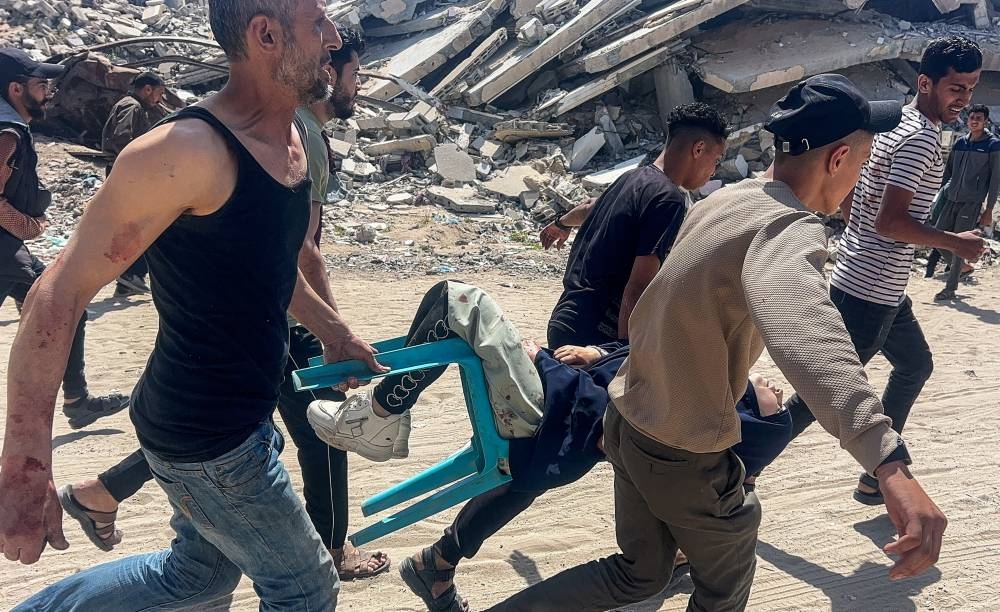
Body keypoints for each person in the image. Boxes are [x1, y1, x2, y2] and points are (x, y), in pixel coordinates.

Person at [483, 73, 949, 612]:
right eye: (865, 161)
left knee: (639, 574)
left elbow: (668, 305)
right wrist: (888, 462)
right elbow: (811, 335)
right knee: (726, 578)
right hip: (680, 446)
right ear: (839, 158)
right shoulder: (784, 226)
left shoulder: (725, 198)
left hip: (629, 417)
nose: (863, 177)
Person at [0, 2, 384, 610]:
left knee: (198, 578)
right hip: (207, 437)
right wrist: (24, 466)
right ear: (265, 34)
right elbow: (60, 290)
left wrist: (334, 333)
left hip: (236, 417)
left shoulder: (291, 143)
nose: (334, 39)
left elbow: (269, 263)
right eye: (318, 24)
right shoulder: (185, 152)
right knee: (307, 590)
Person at [307, 281, 792, 612]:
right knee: (532, 488)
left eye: (768, 393)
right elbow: (642, 353)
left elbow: (718, 465)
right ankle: (428, 538)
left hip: (550, 406)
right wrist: (598, 352)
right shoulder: (698, 379)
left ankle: (382, 416)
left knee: (460, 301)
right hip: (557, 402)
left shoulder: (714, 414)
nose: (768, 381)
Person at [784, 36, 988, 506]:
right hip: (869, 290)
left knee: (915, 365)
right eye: (956, 88)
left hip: (880, 284)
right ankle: (738, 466)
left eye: (971, 89)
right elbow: (890, 221)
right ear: (926, 83)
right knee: (820, 398)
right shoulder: (919, 140)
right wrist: (955, 242)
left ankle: (877, 476)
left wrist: (858, 232)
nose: (964, 100)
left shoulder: (895, 123)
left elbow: (858, 191)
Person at [0, 47, 130, 430]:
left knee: (62, 305)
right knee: (64, 304)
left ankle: (76, 398)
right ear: (16, 89)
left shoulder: (11, 127)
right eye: (41, 85)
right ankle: (76, 399)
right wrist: (30, 226)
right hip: (5, 249)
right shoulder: (6, 134)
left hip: (8, 250)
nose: (49, 93)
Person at [543, 102, 729, 348]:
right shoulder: (668, 199)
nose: (713, 172)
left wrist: (561, 223)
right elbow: (637, 288)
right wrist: (623, 354)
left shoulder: (632, 178)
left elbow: (591, 206)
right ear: (699, 149)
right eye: (716, 160)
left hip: (565, 319)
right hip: (596, 336)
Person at [101, 71, 170, 296]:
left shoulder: (130, 104)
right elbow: (123, 139)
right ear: (147, 89)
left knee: (135, 223)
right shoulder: (133, 107)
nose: (158, 99)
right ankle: (130, 274)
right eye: (158, 93)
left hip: (125, 173)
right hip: (128, 174)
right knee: (143, 223)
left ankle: (129, 278)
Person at [924, 103, 999, 299]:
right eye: (972, 117)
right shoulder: (960, 143)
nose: (974, 121)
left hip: (971, 202)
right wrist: (936, 193)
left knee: (958, 241)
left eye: (979, 118)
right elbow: (947, 172)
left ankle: (950, 288)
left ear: (985, 121)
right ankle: (963, 267)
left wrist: (989, 210)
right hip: (951, 198)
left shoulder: (992, 146)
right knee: (935, 236)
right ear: (967, 119)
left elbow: (994, 181)